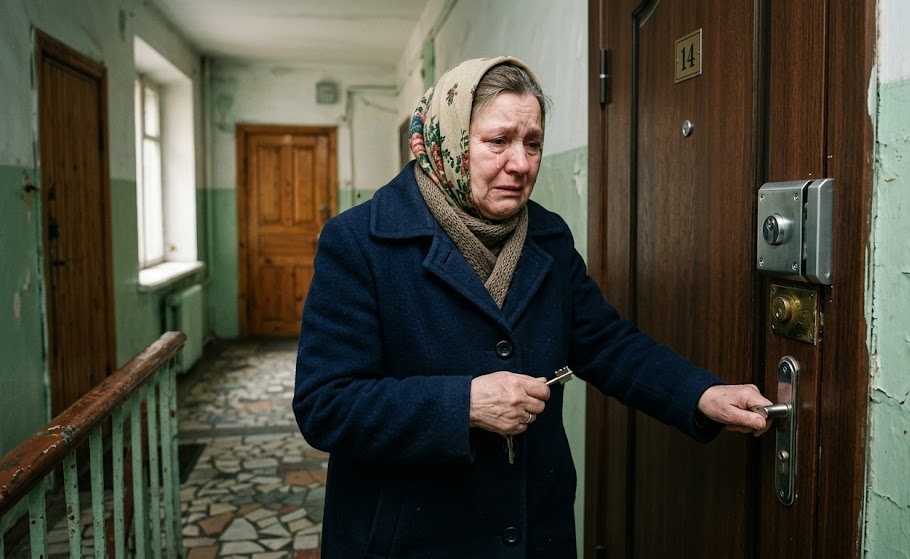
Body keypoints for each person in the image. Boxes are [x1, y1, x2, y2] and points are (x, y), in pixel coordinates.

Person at [293, 56, 773, 559]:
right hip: (408, 537)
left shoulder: (547, 236)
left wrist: (700, 393)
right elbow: (325, 405)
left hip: (532, 530)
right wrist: (464, 404)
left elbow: (607, 344)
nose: (521, 164)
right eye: (498, 141)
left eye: (533, 143)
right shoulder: (358, 242)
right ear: (447, 139)